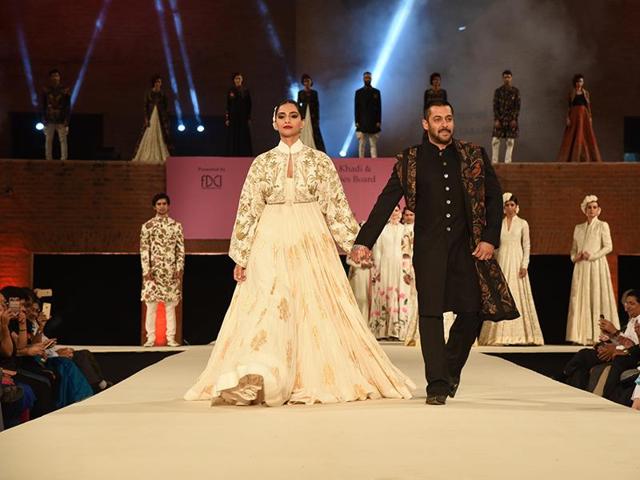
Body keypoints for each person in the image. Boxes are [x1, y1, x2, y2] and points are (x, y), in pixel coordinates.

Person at [184, 100, 415, 406]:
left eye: (293, 116)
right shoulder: (262, 163)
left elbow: (335, 205)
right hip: (270, 238)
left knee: (314, 301)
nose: (288, 120)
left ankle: (307, 374)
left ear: (302, 122)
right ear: (274, 122)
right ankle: (259, 370)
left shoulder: (320, 161)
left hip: (311, 239)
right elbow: (248, 209)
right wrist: (241, 255)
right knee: (267, 301)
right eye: (282, 116)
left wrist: (354, 245)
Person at [351, 101, 518, 405]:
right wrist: (364, 241)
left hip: (468, 250)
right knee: (431, 315)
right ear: (425, 124)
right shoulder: (410, 161)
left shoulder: (473, 155)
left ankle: (450, 368)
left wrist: (491, 239)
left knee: (472, 312)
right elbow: (386, 202)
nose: (445, 124)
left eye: (449, 119)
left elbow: (494, 199)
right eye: (438, 119)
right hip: (429, 250)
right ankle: (437, 385)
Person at [479, 193, 544, 345]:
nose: (509, 207)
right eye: (507, 205)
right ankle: (498, 336)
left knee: (516, 293)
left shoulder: (523, 223)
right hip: (502, 260)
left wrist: (524, 264)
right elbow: (494, 246)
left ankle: (523, 335)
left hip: (516, 261)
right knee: (500, 294)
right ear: (503, 208)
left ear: (516, 207)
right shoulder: (498, 224)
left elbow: (526, 245)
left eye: (512, 205)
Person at [562, 289, 640, 400]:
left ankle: (564, 375)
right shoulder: (632, 320)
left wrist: (615, 335)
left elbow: (633, 346)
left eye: (632, 303)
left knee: (584, 355)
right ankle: (577, 392)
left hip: (629, 356)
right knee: (583, 363)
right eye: (626, 303)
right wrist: (609, 339)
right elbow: (625, 341)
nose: (627, 307)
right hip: (621, 351)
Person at [566, 195, 618, 344]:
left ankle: (600, 334)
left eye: (595, 207)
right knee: (581, 297)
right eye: (589, 207)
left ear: (599, 210)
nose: (592, 210)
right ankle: (581, 334)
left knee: (596, 295)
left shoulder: (603, 225)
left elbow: (608, 246)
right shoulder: (579, 228)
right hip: (581, 267)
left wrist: (593, 256)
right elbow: (573, 250)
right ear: (585, 210)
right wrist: (576, 257)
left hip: (596, 265)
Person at [140, 193, 185, 347]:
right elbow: (144, 249)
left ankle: (171, 338)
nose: (161, 206)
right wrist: (146, 269)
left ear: (168, 205)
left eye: (164, 203)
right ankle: (150, 338)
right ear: (154, 207)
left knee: (170, 305)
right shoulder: (147, 226)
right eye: (158, 204)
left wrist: (179, 268)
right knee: (151, 305)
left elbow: (180, 249)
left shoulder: (176, 226)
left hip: (170, 271)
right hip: (153, 271)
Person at [369, 206, 407, 340]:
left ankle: (400, 331)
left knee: (400, 294)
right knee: (386, 293)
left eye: (396, 210)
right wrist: (377, 269)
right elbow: (377, 251)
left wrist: (408, 268)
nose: (393, 213)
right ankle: (383, 331)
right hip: (385, 265)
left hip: (401, 265)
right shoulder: (382, 230)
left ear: (400, 212)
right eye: (391, 211)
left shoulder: (404, 229)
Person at [556, 74, 602, 162]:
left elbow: (588, 106)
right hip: (574, 115)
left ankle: (586, 157)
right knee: (573, 135)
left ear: (583, 82)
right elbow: (569, 106)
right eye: (577, 81)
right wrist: (568, 118)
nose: (579, 83)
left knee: (584, 135)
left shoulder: (586, 93)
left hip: (584, 115)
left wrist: (590, 117)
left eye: (581, 81)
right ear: (575, 83)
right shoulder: (572, 93)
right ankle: (572, 156)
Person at [132, 74, 171, 164]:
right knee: (148, 132)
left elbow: (166, 106)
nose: (159, 83)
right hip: (151, 115)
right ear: (154, 82)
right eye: (158, 81)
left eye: (160, 82)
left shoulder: (163, 94)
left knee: (161, 133)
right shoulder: (149, 93)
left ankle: (160, 153)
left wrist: (165, 117)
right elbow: (145, 106)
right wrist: (146, 118)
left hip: (160, 116)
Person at [491, 70, 520, 164]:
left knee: (510, 142)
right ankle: (494, 162)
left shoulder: (515, 91)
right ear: (502, 78)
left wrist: (514, 119)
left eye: (508, 77)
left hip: (511, 119)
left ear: (511, 78)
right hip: (500, 118)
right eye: (505, 77)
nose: (507, 79)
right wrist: (496, 119)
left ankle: (508, 162)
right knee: (495, 141)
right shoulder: (498, 91)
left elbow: (517, 106)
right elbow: (495, 106)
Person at [400, 208, 420, 347]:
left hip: (437, 263)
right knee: (417, 298)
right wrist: (406, 271)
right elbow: (405, 252)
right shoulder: (408, 230)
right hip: (417, 265)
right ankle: (416, 334)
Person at [42, 69, 70, 160]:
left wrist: (67, 120)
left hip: (61, 118)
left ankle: (64, 158)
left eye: (57, 76)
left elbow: (67, 106)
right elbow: (43, 105)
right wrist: (43, 119)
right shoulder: (46, 90)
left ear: (59, 77)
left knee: (63, 139)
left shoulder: (65, 90)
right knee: (48, 139)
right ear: (50, 78)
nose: (55, 78)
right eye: (53, 76)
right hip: (49, 118)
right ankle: (48, 158)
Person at [355, 71, 381, 158]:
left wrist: (378, 121)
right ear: (363, 79)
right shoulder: (358, 92)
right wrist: (357, 121)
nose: (367, 79)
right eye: (366, 78)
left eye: (369, 77)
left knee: (373, 144)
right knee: (362, 144)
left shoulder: (376, 92)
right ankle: (361, 161)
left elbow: (379, 108)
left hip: (373, 122)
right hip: (362, 121)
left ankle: (375, 162)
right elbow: (356, 108)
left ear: (371, 79)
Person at [225, 73, 253, 156]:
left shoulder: (245, 90)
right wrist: (227, 118)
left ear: (242, 80)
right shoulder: (231, 91)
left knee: (243, 134)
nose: (238, 80)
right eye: (236, 79)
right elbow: (228, 105)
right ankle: (233, 153)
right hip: (233, 117)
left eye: (239, 78)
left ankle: (244, 153)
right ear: (234, 80)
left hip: (243, 117)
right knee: (234, 135)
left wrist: (248, 117)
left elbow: (249, 104)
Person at [297, 74, 325, 152]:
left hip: (313, 115)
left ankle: (317, 150)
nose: (307, 83)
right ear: (303, 83)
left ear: (311, 82)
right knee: (303, 131)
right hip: (304, 115)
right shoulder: (300, 93)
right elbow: (298, 104)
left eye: (308, 81)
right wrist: (299, 115)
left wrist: (317, 118)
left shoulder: (314, 93)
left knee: (315, 132)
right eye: (305, 81)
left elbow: (317, 105)